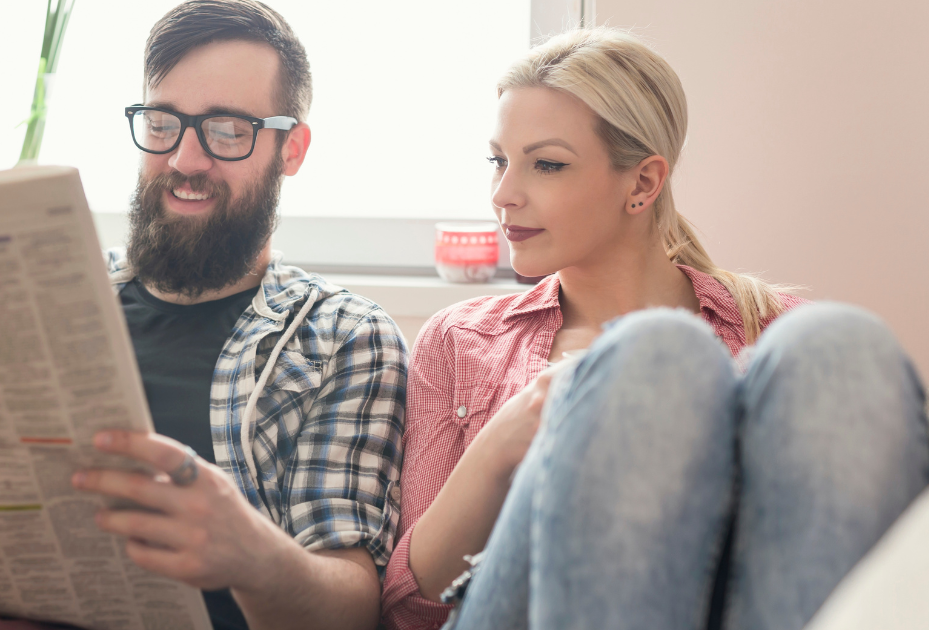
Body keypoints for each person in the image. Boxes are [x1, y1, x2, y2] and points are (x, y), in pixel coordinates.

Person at [0, 2, 407, 629]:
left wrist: (251, 552)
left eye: (228, 131)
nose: (185, 161)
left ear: (291, 149)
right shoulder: (26, 286)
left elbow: (348, 608)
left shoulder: (342, 336)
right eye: (163, 123)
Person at [381, 27, 928, 630]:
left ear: (642, 183)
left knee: (837, 343)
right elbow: (409, 610)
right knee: (649, 356)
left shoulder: (775, 334)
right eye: (498, 161)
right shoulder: (461, 341)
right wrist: (504, 441)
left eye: (546, 165)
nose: (503, 194)